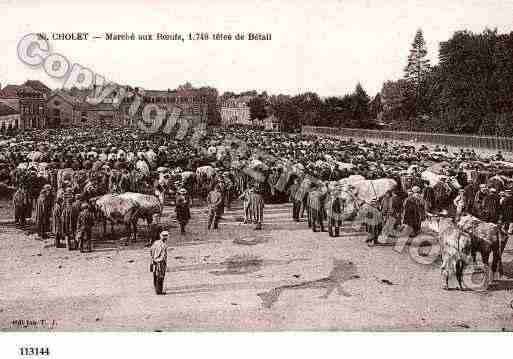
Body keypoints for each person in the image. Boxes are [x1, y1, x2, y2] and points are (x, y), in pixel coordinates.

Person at [150, 231, 168, 295]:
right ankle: (159, 291)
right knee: (160, 277)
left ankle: (156, 289)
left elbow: (151, 251)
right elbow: (163, 256)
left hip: (154, 261)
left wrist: (153, 259)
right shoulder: (164, 245)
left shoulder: (155, 243)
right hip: (160, 262)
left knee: (155, 276)